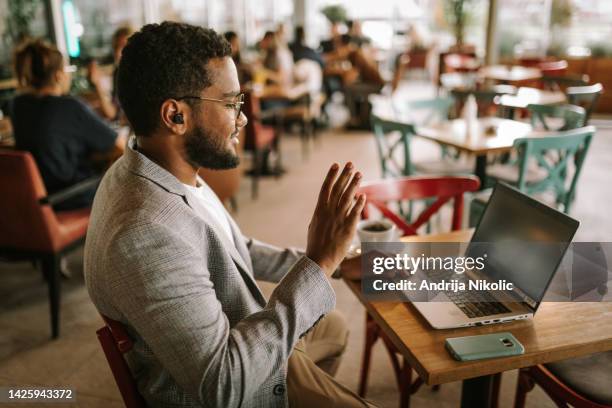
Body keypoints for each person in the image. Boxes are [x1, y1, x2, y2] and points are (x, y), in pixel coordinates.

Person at [84, 22, 375, 407]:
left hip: (249, 342)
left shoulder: (158, 166)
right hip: (234, 383)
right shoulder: (145, 231)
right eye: (231, 103)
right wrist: (318, 265)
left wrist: (335, 263)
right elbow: (223, 386)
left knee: (332, 326)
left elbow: (236, 249)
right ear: (175, 116)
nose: (243, 119)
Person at [10, 39, 123, 210]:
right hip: (70, 197)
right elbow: (120, 147)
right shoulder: (69, 107)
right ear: (58, 76)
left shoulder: (17, 105)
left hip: (36, 201)